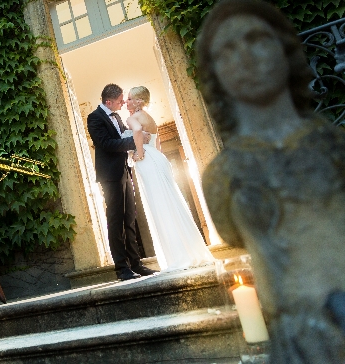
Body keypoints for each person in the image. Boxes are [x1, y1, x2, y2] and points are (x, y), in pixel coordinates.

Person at [197, 0, 345, 361]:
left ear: (284, 48)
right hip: (298, 342)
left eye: (257, 39)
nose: (245, 57)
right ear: (215, 73)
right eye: (227, 51)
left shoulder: (335, 146)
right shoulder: (221, 177)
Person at [124, 86, 215, 271]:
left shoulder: (133, 118)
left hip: (148, 161)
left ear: (139, 101)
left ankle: (179, 257)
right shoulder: (150, 118)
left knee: (161, 207)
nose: (127, 102)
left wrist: (139, 154)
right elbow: (157, 143)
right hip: (158, 159)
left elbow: (137, 132)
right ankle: (190, 252)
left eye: (130, 99)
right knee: (171, 203)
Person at [87, 83, 157, 280]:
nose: (122, 103)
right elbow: (105, 144)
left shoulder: (117, 116)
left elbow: (127, 133)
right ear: (108, 102)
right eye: (119, 101)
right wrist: (134, 141)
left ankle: (136, 263)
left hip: (125, 171)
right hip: (110, 176)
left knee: (129, 218)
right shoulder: (94, 118)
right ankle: (121, 268)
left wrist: (139, 138)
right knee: (115, 221)